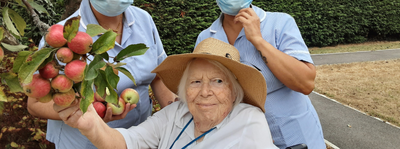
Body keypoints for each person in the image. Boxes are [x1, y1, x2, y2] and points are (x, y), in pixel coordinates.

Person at [27, 0, 176, 149]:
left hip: (139, 139)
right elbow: (34, 104)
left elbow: (159, 74)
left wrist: (176, 112)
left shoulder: (144, 20)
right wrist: (86, 111)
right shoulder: (63, 37)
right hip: (83, 143)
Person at [195, 0, 326, 149]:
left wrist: (258, 40)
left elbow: (305, 83)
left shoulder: (280, 23)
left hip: (296, 139)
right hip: (242, 141)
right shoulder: (206, 39)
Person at [53, 38, 279, 149]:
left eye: (218, 81)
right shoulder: (175, 113)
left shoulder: (249, 120)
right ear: (184, 89)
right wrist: (92, 125)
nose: (205, 92)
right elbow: (125, 142)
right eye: (196, 81)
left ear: (234, 90)